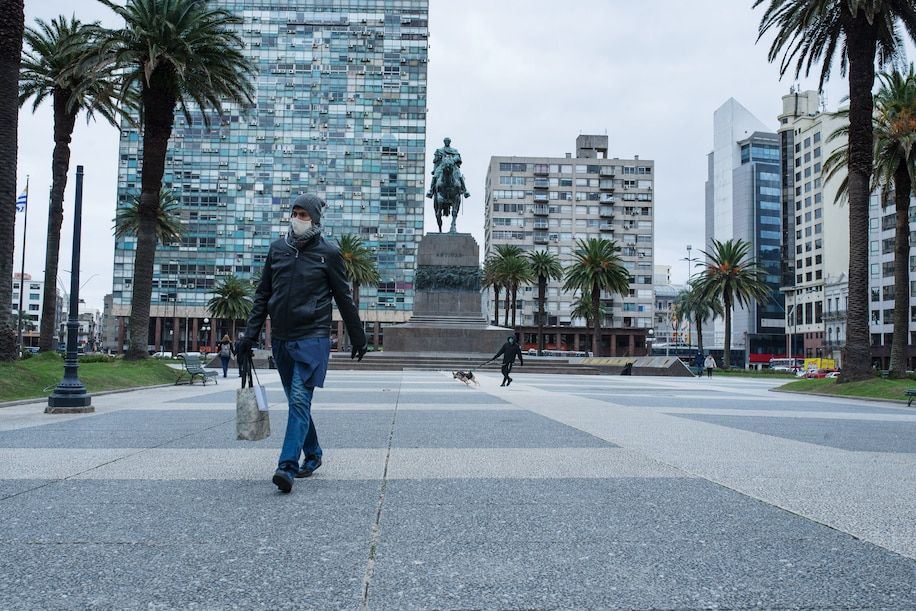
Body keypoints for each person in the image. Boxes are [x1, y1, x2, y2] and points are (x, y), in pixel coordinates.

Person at [238, 193, 367, 494]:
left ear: (315, 219)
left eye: (303, 214)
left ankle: (286, 467)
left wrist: (358, 335)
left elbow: (344, 298)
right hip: (282, 338)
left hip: (313, 338)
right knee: (298, 403)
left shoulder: (329, 253)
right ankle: (314, 453)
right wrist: (250, 334)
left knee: (298, 400)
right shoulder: (277, 250)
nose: (297, 218)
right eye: (294, 212)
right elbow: (262, 295)